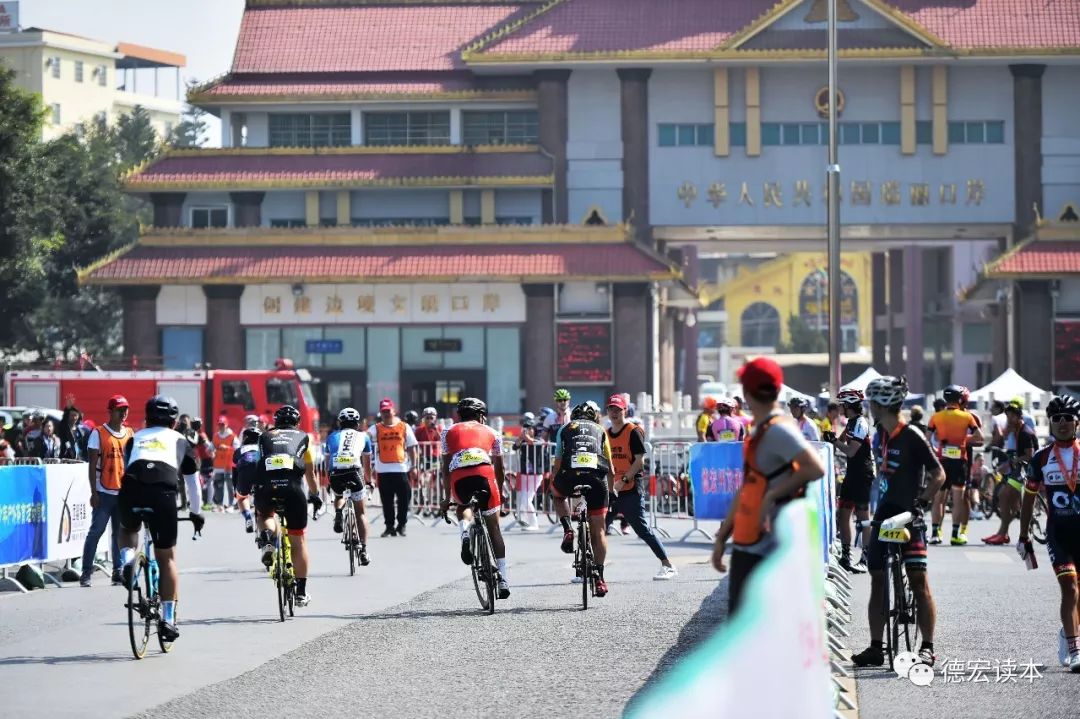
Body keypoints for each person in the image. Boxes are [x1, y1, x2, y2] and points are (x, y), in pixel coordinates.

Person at [712, 357, 825, 613]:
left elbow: (815, 467)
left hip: (766, 548)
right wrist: (723, 536)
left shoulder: (778, 430)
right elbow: (747, 487)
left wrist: (773, 494)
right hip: (749, 542)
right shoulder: (762, 430)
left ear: (747, 392)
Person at [852, 376, 945, 668]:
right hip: (884, 514)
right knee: (877, 578)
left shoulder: (912, 436)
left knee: (918, 580)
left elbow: (939, 474)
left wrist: (923, 502)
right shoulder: (880, 434)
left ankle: (927, 647)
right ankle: (876, 647)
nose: (869, 407)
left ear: (882, 405)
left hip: (909, 515)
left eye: (872, 403)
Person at [116, 395, 202, 642]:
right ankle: (167, 619)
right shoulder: (181, 440)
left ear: (147, 418)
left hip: (131, 488)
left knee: (128, 529)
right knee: (167, 559)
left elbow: (129, 464)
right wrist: (196, 513)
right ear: (174, 422)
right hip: (162, 492)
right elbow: (193, 484)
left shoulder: (134, 439)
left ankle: (127, 560)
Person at [1018, 394, 1080, 671]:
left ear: (1077, 422)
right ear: (1050, 424)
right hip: (1059, 532)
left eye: (1069, 418)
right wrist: (1023, 535)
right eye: (1058, 419)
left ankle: (1070, 633)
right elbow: (1029, 498)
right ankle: (1076, 648)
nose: (1063, 423)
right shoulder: (1042, 458)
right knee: (1070, 586)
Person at [438, 397, 511, 598]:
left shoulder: (447, 432)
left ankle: (464, 532)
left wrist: (446, 497)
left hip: (460, 476)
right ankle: (503, 579)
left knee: (463, 505)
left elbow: (445, 467)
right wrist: (501, 491)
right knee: (494, 528)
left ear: (459, 416)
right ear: (480, 416)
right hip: (484, 474)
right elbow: (500, 467)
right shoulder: (492, 432)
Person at [254, 405, 322, 606]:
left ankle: (267, 538)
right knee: (298, 540)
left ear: (275, 422)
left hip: (267, 487)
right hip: (293, 490)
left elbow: (256, 466)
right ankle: (301, 592)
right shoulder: (303, 436)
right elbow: (310, 474)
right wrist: (315, 495)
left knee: (265, 515)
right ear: (297, 422)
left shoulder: (264, 437)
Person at [605, 394, 677, 580]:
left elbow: (639, 461)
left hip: (630, 489)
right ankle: (588, 569)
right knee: (596, 527)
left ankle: (667, 565)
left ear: (625, 411)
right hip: (611, 490)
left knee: (642, 529)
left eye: (618, 409)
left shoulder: (633, 431)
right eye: (611, 409)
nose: (614, 412)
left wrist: (624, 480)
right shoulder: (605, 434)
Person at [551, 401, 614, 596]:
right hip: (596, 479)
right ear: (594, 417)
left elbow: (558, 463)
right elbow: (611, 468)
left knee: (557, 494)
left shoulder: (564, 428)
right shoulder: (601, 430)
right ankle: (600, 579)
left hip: (570, 476)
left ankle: (568, 528)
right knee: (599, 532)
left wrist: (554, 479)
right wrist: (610, 493)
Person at [80, 396, 134, 587]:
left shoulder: (129, 433)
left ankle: (117, 571)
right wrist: (93, 492)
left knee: (119, 534)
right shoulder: (98, 433)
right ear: (110, 411)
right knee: (96, 532)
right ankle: (86, 572)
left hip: (122, 493)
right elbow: (92, 464)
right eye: (120, 409)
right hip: (104, 492)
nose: (123, 413)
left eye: (125, 409)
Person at [927, 384, 984, 546]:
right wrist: (962, 441)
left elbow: (927, 438)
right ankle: (955, 534)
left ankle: (935, 533)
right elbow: (979, 437)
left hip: (942, 459)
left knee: (938, 498)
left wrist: (937, 447)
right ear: (960, 399)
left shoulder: (936, 417)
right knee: (958, 498)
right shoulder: (967, 417)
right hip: (960, 460)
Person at [983, 403, 1038, 545]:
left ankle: (1003, 533)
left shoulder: (1025, 432)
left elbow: (1030, 456)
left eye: (1012, 416)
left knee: (1003, 495)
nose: (1009, 420)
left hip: (1026, 470)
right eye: (1007, 416)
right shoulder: (1017, 430)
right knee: (1011, 502)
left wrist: (1012, 462)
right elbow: (1004, 436)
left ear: (1019, 416)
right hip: (1020, 468)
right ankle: (1004, 532)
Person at [834, 389, 875, 573]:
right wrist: (833, 439)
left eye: (842, 405)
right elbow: (841, 439)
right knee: (843, 513)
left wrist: (834, 442)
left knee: (863, 518)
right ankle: (845, 556)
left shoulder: (860, 423)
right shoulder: (850, 423)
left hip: (863, 474)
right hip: (852, 473)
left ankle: (866, 558)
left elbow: (850, 451)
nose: (840, 408)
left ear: (849, 405)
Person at [327, 407, 372, 566]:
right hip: (354, 471)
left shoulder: (332, 436)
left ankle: (339, 512)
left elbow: (328, 462)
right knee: (361, 512)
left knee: (339, 496)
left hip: (336, 472)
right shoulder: (364, 436)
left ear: (340, 423)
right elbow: (367, 465)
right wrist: (369, 481)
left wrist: (328, 480)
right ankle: (364, 550)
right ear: (357, 424)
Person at [368, 398, 419, 537]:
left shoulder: (404, 426)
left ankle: (401, 525)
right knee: (386, 501)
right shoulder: (376, 428)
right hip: (383, 470)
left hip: (401, 469)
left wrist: (414, 466)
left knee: (404, 498)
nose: (386, 414)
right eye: (383, 411)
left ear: (394, 410)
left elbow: (411, 447)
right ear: (380, 412)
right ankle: (389, 526)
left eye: (388, 411)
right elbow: (365, 437)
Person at [513, 418, 544, 530]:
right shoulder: (523, 440)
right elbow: (514, 446)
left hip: (535, 474)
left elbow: (535, 443)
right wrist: (521, 438)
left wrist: (526, 438)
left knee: (527, 499)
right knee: (523, 499)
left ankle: (534, 523)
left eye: (531, 428)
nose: (528, 430)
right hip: (525, 473)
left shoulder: (539, 439)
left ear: (534, 430)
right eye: (526, 428)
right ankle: (528, 521)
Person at [232, 426, 261, 533]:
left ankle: (248, 517)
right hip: (261, 471)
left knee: (242, 497)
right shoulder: (264, 448)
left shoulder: (239, 450)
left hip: (245, 471)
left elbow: (234, 472)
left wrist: (236, 490)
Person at [211, 416, 238, 513]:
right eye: (219, 424)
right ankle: (219, 505)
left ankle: (231, 504)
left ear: (226, 425)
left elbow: (237, 449)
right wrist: (212, 451)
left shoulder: (232, 436)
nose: (221, 426)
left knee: (230, 486)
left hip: (229, 465)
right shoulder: (215, 436)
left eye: (222, 425)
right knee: (218, 485)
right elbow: (211, 447)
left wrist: (227, 448)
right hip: (218, 465)